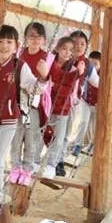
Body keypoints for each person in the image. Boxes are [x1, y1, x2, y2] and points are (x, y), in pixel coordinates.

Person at [0, 25, 48, 216]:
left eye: (9, 42)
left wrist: (43, 76)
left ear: (17, 45)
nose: (4, 46)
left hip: (8, 121)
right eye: (0, 41)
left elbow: (35, 89)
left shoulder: (19, 66)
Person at [9, 22, 49, 185]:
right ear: (26, 38)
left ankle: (27, 169)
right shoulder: (19, 54)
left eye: (38, 36)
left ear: (44, 39)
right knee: (16, 138)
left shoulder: (47, 58)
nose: (35, 39)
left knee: (31, 138)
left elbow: (49, 78)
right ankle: (15, 166)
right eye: (31, 36)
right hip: (17, 102)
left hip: (34, 104)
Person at [41, 36, 86, 179]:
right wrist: (52, 84)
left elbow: (66, 90)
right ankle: (35, 162)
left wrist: (54, 84)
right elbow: (44, 83)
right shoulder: (49, 62)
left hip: (63, 107)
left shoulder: (74, 69)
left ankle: (51, 165)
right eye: (64, 49)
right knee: (40, 134)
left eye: (71, 50)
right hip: (45, 105)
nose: (67, 52)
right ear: (58, 48)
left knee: (59, 138)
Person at [72, 50, 101, 156]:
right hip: (86, 101)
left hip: (98, 104)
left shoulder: (104, 75)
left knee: (94, 125)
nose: (93, 66)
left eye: (96, 64)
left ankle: (92, 144)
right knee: (83, 121)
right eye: (91, 63)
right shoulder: (86, 70)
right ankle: (78, 145)